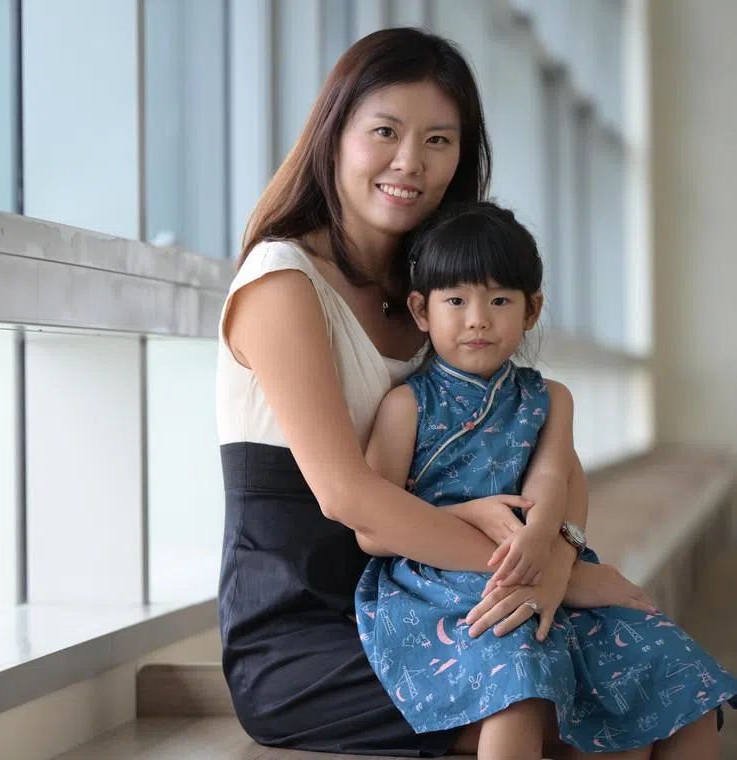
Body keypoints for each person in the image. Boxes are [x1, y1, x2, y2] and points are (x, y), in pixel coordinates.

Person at [217, 27, 722, 758]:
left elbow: (553, 451)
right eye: (385, 132)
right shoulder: (282, 283)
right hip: (308, 628)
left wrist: (561, 556)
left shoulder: (438, 296)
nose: (409, 163)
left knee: (666, 692)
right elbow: (347, 499)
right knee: (564, 708)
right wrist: (549, 576)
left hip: (440, 594)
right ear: (333, 137)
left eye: (439, 141)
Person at [355, 201, 737, 760]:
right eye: (456, 300)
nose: (478, 318)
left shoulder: (549, 398)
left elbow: (553, 474)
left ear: (532, 310)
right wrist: (466, 516)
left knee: (677, 676)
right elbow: (373, 528)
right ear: (420, 309)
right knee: (521, 679)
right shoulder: (405, 406)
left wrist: (541, 540)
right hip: (435, 587)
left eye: (500, 300)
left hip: (544, 556)